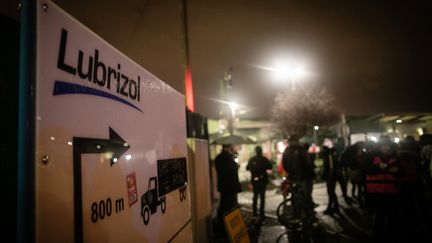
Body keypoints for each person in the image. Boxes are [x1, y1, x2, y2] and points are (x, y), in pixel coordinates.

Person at [365, 135, 403, 243]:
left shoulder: (395, 156)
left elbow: (401, 172)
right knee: (379, 218)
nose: (386, 148)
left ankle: (392, 237)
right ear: (380, 146)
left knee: (393, 217)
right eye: (384, 146)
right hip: (376, 192)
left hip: (392, 191)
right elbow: (365, 170)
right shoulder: (370, 156)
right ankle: (378, 238)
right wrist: (377, 167)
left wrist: (398, 171)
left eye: (388, 146)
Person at [282, 135, 317, 221]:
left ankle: (296, 215)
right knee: (306, 196)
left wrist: (290, 172)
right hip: (304, 177)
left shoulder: (287, 151)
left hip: (292, 177)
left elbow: (284, 165)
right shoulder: (302, 150)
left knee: (294, 196)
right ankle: (309, 215)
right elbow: (307, 164)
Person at [215, 144, 242, 229]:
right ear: (229, 147)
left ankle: (222, 223)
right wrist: (236, 166)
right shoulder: (227, 158)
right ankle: (227, 226)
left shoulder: (218, 158)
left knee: (223, 204)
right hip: (230, 186)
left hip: (223, 185)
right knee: (229, 206)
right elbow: (231, 171)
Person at [246, 146, 273, 221]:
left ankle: (255, 212)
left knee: (255, 196)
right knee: (262, 197)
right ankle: (261, 213)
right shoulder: (264, 159)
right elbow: (270, 167)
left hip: (255, 180)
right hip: (262, 180)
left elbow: (247, 167)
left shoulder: (252, 159)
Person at [321, 146, 341, 215]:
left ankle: (332, 208)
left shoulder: (329, 156)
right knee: (331, 192)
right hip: (331, 177)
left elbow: (331, 167)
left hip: (331, 177)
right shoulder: (329, 156)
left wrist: (329, 176)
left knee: (331, 192)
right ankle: (335, 207)